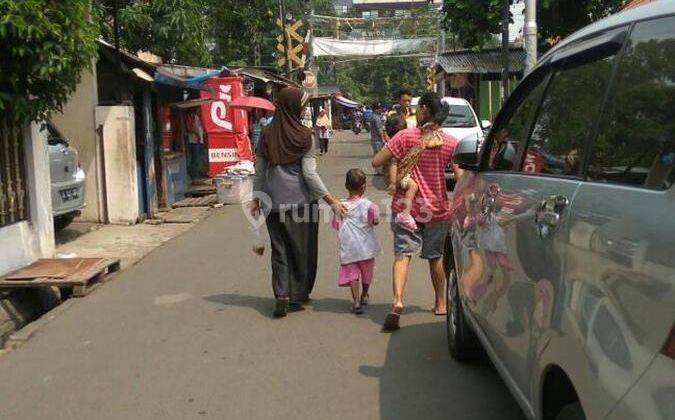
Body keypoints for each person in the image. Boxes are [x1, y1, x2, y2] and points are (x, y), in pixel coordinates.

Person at [252, 87, 346, 318]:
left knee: (279, 249)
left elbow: (260, 171)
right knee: (302, 250)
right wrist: (331, 200)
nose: (304, 108)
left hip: (273, 203)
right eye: (303, 105)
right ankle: (297, 295)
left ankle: (282, 293)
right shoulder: (305, 136)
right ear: (295, 107)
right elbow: (310, 174)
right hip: (302, 204)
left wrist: (257, 197)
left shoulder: (266, 134)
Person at [372, 92, 458, 331]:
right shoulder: (449, 142)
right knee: (436, 258)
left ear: (422, 109)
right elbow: (460, 177)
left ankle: (398, 300)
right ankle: (441, 303)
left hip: (405, 209)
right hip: (437, 209)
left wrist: (393, 154)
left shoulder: (404, 137)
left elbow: (377, 161)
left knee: (402, 256)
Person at [331, 168, 382, 315]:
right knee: (367, 273)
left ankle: (356, 302)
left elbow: (336, 225)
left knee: (352, 273)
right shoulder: (369, 205)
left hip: (349, 246)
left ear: (346, 186)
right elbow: (375, 220)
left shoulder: (339, 206)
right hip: (366, 246)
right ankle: (365, 294)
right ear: (364, 187)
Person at [369, 104, 387, 174]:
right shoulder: (376, 118)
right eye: (379, 109)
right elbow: (379, 129)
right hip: (377, 139)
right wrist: (383, 139)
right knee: (380, 154)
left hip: (374, 138)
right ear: (376, 109)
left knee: (376, 154)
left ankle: (378, 170)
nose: (380, 110)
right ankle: (379, 171)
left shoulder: (372, 117)